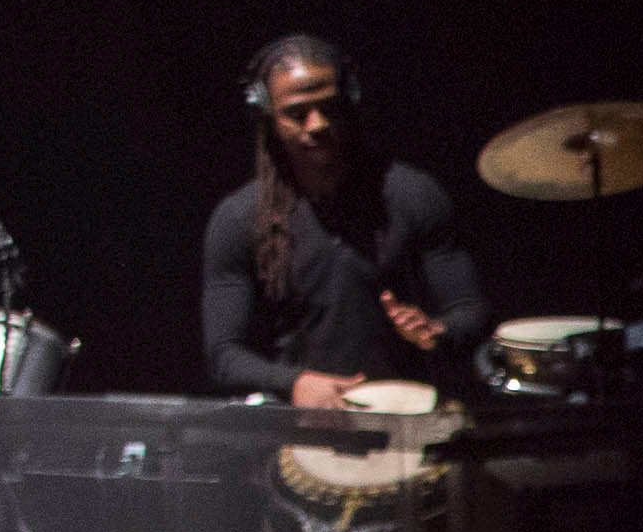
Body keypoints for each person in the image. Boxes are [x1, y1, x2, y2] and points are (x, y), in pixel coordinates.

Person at [201, 36, 489, 409]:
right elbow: (223, 355)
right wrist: (295, 383)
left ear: (350, 100)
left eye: (330, 107)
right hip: (302, 424)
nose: (318, 124)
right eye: (297, 113)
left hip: (409, 412)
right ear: (266, 114)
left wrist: (436, 330)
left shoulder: (412, 194)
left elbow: (471, 310)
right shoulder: (239, 219)